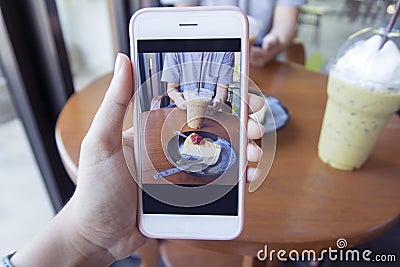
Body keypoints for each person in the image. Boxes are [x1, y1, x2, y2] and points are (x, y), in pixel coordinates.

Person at [1, 53, 264, 266]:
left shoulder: (226, 51)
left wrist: (82, 240)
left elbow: (222, 93)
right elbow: (171, 91)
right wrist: (84, 237)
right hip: (178, 112)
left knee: (226, 158)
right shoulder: (176, 51)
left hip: (212, 115)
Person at [161, 0, 306, 66]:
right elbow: (185, 14)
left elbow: (286, 20)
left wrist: (276, 40)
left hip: (260, 61)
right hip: (206, 60)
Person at [161, 51, 234, 111]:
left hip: (210, 109)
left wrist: (217, 103)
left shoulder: (226, 52)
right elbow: (171, 88)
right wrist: (178, 99)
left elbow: (222, 91)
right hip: (183, 107)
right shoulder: (174, 51)